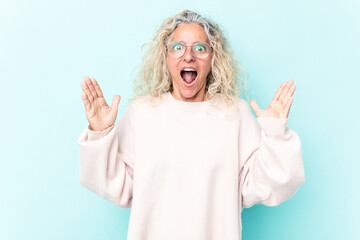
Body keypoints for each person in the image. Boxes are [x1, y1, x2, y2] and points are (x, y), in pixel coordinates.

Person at [78, 10, 305, 240]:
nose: (188, 56)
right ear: (165, 57)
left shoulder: (235, 115)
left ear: (213, 58)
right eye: (178, 47)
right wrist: (100, 134)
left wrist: (275, 134)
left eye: (200, 48)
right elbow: (118, 187)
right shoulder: (142, 113)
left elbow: (270, 184)